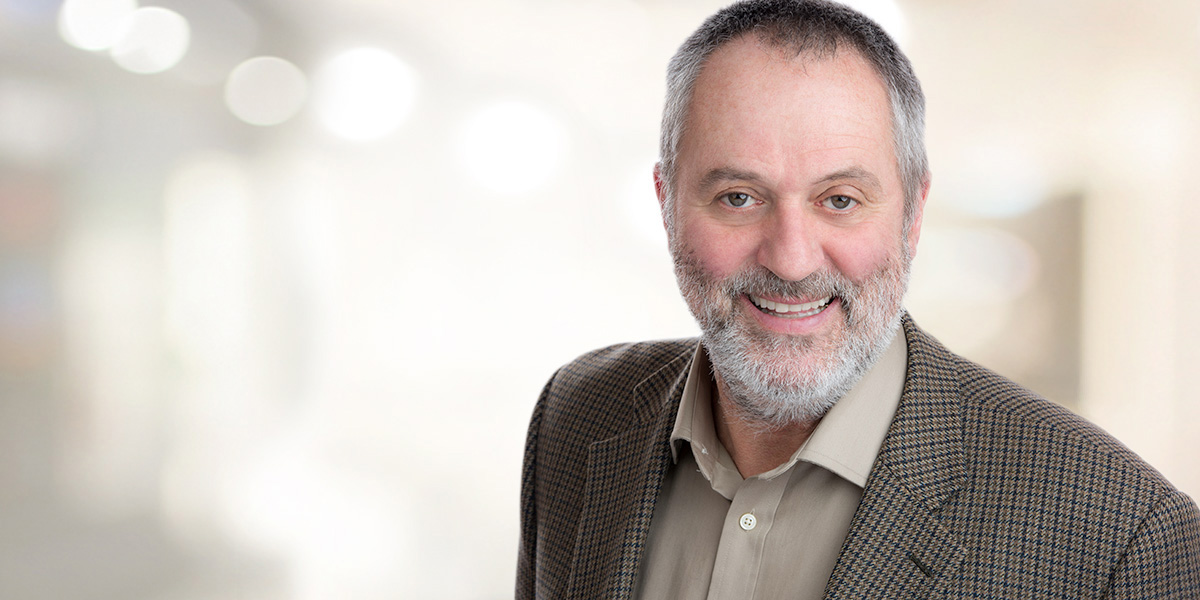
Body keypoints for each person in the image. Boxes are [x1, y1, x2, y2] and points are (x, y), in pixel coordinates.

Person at [516, 0, 1200, 598]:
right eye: (738, 197)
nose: (790, 257)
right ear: (666, 206)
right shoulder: (574, 420)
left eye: (839, 200)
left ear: (913, 214)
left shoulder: (1122, 537)